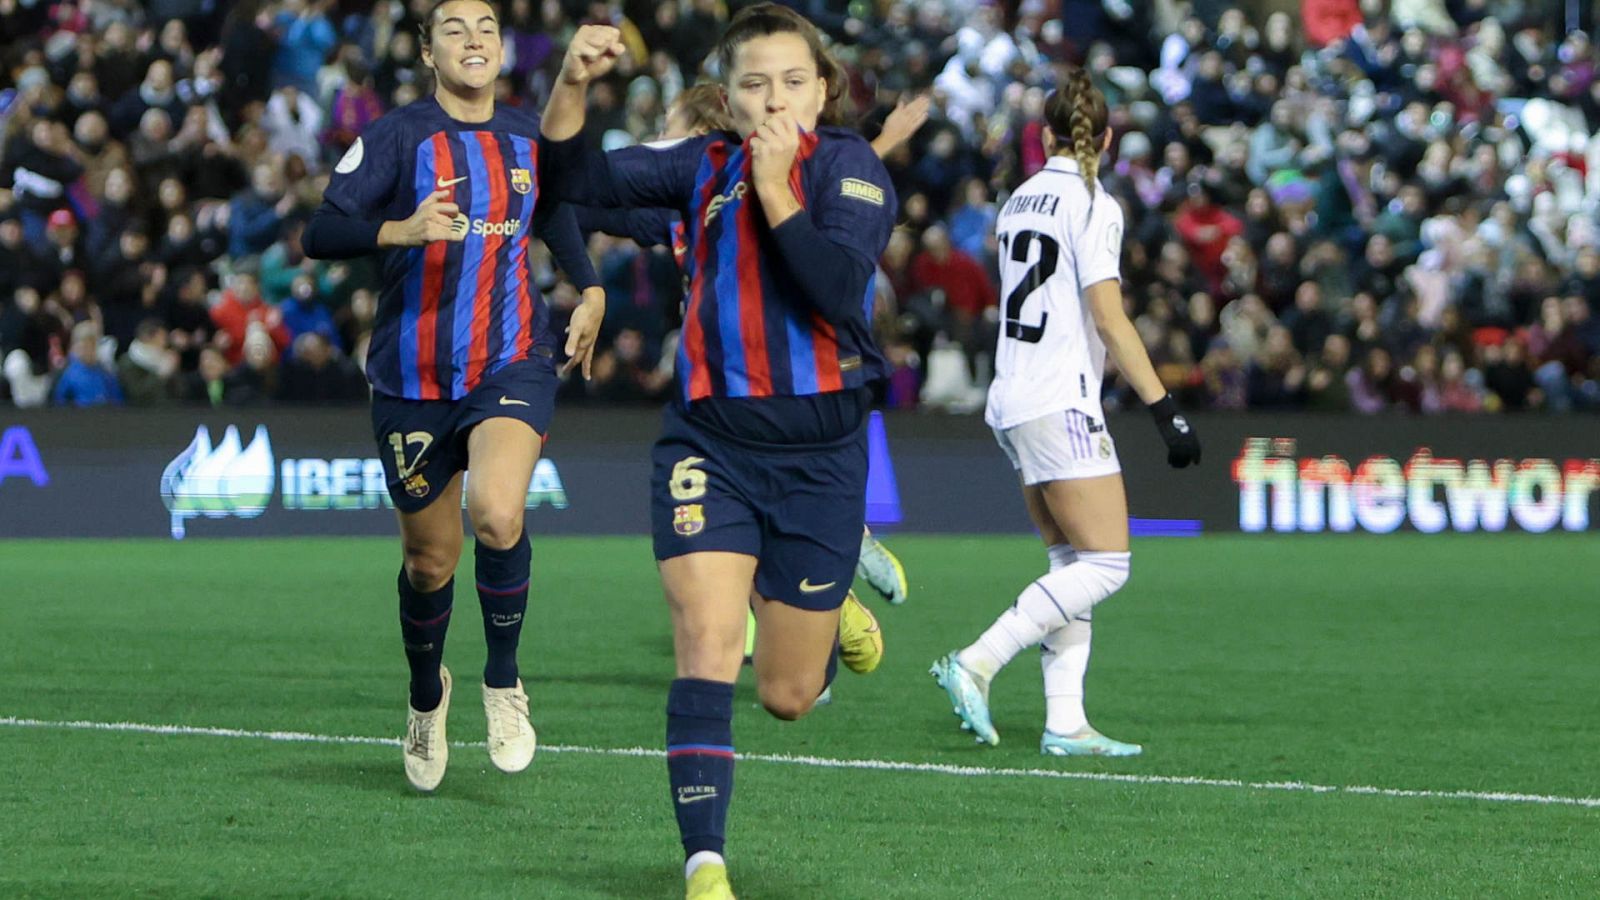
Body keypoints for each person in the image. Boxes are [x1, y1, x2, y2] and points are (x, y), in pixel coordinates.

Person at [539, 9, 897, 898]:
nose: (773, 99)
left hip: (822, 453)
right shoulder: (698, 168)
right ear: (727, 100)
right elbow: (571, 178)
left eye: (790, 82)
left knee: (785, 693)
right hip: (711, 442)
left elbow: (839, 291)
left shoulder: (851, 169)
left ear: (821, 90)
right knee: (703, 641)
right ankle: (705, 865)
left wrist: (777, 188)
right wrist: (574, 85)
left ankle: (817, 589)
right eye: (753, 84)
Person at [301, 0, 606, 793]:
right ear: (427, 52)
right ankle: (424, 696)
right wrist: (396, 231)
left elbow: (558, 217)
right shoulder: (399, 137)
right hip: (410, 380)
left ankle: (503, 682)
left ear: (502, 48)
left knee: (498, 513)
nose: (473, 40)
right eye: (454, 30)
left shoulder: (527, 137)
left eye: (486, 29)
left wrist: (592, 288)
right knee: (430, 563)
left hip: (510, 362)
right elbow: (321, 230)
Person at [574, 83, 922, 666]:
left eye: (671, 123)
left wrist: (880, 144)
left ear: (703, 131)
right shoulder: (685, 205)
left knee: (757, 527)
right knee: (732, 532)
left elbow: (833, 178)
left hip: (801, 378)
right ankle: (825, 587)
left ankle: (830, 572)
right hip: (729, 385)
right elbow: (603, 203)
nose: (661, 136)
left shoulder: (757, 185)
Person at [929, 69, 1202, 757]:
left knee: (1068, 560)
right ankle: (978, 660)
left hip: (1013, 398)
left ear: (1044, 135)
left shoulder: (1018, 201)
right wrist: (1163, 407)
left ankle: (1066, 721)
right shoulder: (1093, 203)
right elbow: (1108, 318)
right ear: (1105, 139)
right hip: (1058, 400)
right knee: (1108, 564)